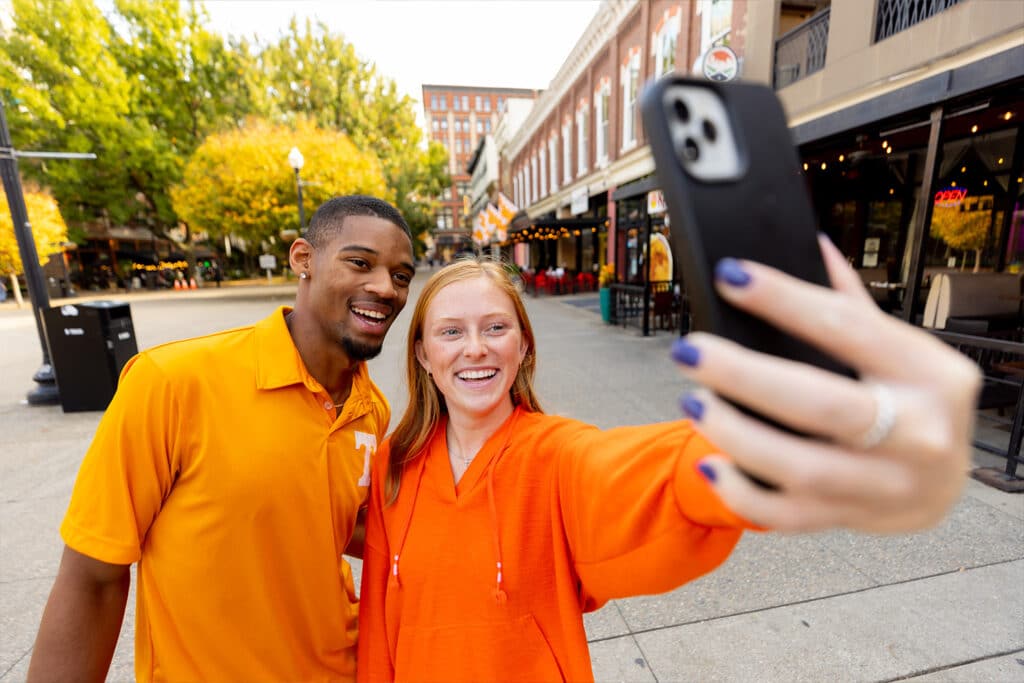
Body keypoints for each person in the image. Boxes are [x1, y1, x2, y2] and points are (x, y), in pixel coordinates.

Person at [357, 243, 981, 683]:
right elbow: (380, 632)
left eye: (496, 327)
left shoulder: (556, 456)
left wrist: (771, 442)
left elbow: (645, 477)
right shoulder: (392, 466)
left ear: (523, 348)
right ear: (422, 354)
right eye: (450, 332)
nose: (475, 348)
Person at [27, 195, 417, 682]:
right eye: (360, 262)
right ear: (303, 259)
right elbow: (94, 577)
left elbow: (345, 525)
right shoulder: (171, 381)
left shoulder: (370, 408)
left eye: (401, 276)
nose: (385, 287)